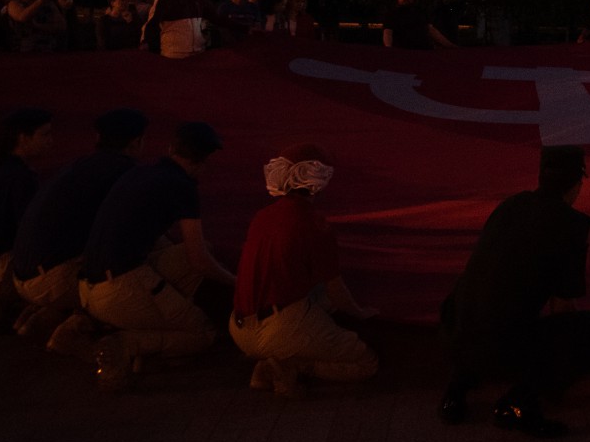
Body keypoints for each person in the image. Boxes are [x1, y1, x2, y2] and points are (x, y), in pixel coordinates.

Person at [438, 146, 590, 435]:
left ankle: (457, 390)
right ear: (577, 184)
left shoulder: (510, 205)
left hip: (454, 329)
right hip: (499, 347)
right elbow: (562, 308)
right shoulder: (570, 225)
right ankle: (519, 403)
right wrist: (583, 354)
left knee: (485, 309)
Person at [80, 121, 236, 391]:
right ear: (205, 160)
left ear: (171, 148)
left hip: (87, 286)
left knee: (194, 256)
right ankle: (128, 343)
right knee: (203, 332)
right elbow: (200, 260)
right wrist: (237, 283)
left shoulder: (142, 172)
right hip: (120, 286)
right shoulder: (183, 186)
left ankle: (107, 325)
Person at [229, 149, 378, 396]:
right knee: (366, 363)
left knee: (318, 300)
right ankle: (288, 365)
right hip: (280, 327)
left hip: (239, 325)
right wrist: (361, 314)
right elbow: (337, 291)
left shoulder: (263, 216)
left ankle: (274, 360)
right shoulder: (313, 223)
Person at [8, 109, 145, 348]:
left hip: (22, 272)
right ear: (137, 142)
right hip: (49, 277)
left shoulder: (81, 166)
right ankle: (78, 326)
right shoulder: (122, 172)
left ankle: (47, 313)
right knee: (130, 282)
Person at [0, 107, 54, 330]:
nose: (50, 141)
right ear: (23, 138)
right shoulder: (20, 176)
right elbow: (29, 230)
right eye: (45, 134)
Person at [1, 0, 68, 54]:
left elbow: (62, 26)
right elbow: (22, 17)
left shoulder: (48, 4)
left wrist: (39, 26)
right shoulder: (14, 4)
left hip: (48, 50)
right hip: (23, 52)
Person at [383, 0, 454, 50]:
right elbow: (387, 33)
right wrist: (389, 50)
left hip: (423, 50)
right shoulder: (392, 14)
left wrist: (450, 45)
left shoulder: (420, 12)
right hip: (402, 51)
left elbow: (431, 30)